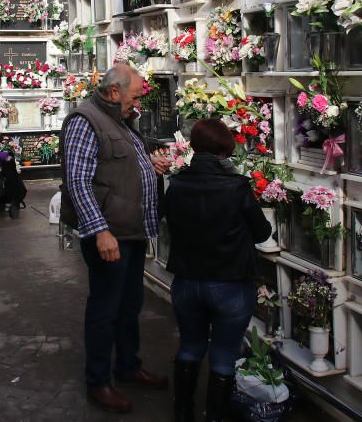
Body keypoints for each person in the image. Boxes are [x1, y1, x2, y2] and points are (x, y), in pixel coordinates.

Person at [60, 64, 171, 414]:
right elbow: (78, 180)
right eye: (134, 95)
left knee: (129, 305)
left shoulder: (120, 119)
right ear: (113, 92)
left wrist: (149, 169)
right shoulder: (85, 121)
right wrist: (100, 230)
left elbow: (117, 166)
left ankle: (127, 366)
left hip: (131, 230)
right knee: (105, 310)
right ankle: (99, 382)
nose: (137, 103)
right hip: (110, 234)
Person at [160, 119, 272, 422]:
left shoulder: (177, 184)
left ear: (195, 147)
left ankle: (183, 414)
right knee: (223, 355)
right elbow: (262, 233)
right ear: (225, 148)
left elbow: (170, 225)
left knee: (190, 346)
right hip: (231, 285)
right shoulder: (237, 188)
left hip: (186, 283)